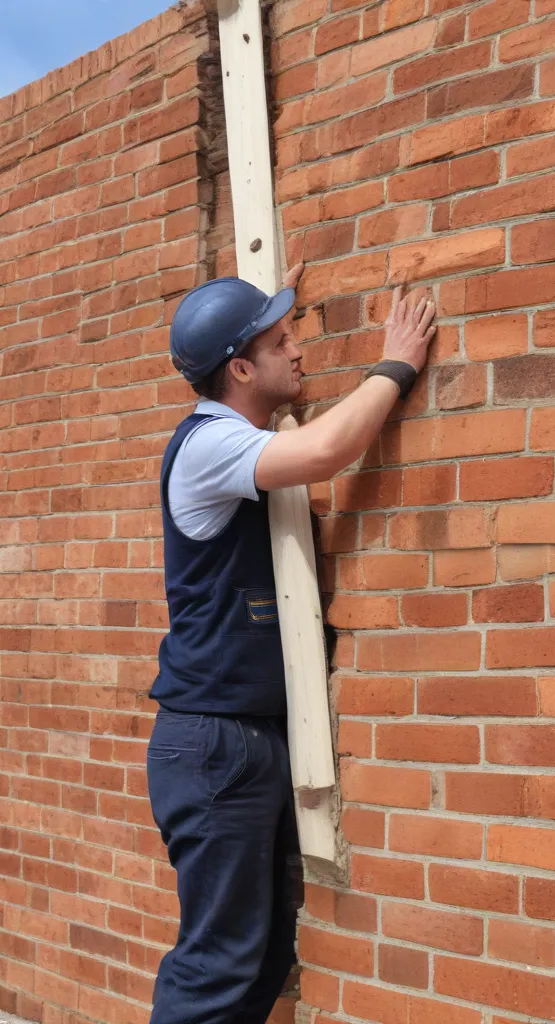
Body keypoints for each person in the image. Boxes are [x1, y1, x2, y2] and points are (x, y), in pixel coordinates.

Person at [145, 262, 435, 1024]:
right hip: (214, 746)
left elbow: (285, 415)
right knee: (217, 968)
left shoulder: (237, 429)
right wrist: (396, 364)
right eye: (283, 339)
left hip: (245, 740)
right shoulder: (208, 444)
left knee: (261, 959)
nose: (300, 348)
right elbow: (323, 451)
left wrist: (264, 289)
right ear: (240, 368)